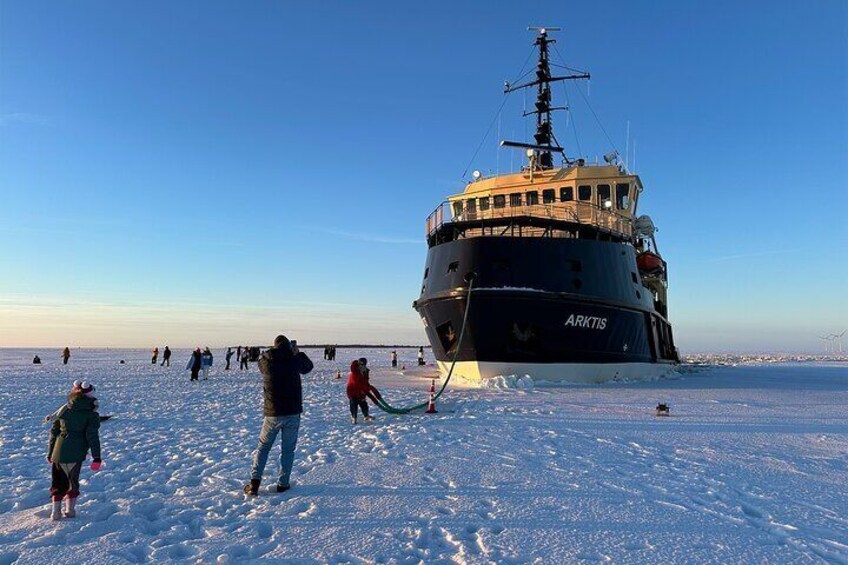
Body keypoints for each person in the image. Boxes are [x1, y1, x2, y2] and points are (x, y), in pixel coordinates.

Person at [244, 335, 313, 496]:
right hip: (292, 412)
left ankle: (254, 483)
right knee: (288, 450)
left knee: (263, 447)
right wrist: (297, 353)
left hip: (272, 412)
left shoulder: (267, 360)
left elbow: (261, 363)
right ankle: (283, 483)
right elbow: (308, 367)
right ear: (289, 346)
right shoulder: (293, 359)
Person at [47, 381, 102, 520]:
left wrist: (50, 453)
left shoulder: (64, 410)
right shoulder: (91, 415)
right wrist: (97, 457)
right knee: (72, 481)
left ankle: (55, 512)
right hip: (76, 453)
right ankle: (70, 511)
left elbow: (54, 432)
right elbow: (92, 437)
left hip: (58, 452)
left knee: (57, 481)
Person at [346, 360, 375, 424]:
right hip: (353, 392)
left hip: (361, 392)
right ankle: (354, 417)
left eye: (364, 365)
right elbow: (353, 366)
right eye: (361, 365)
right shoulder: (355, 372)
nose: (363, 367)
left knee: (364, 405)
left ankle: (366, 415)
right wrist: (357, 362)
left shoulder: (364, 373)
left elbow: (365, 382)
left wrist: (367, 388)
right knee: (353, 405)